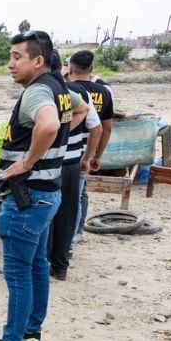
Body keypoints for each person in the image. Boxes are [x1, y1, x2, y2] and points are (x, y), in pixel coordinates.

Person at [0, 31, 89, 341]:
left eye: (16, 56)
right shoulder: (61, 87)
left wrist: (28, 161)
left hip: (28, 198)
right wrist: (60, 153)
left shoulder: (38, 91)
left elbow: (49, 125)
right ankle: (31, 332)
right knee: (37, 264)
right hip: (48, 195)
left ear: (38, 60)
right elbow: (82, 112)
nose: (10, 64)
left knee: (19, 272)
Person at [47, 51, 111, 279]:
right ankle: (61, 264)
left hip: (51, 164)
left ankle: (43, 263)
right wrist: (87, 157)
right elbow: (98, 128)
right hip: (73, 163)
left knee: (46, 214)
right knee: (67, 212)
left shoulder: (45, 92)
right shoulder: (79, 92)